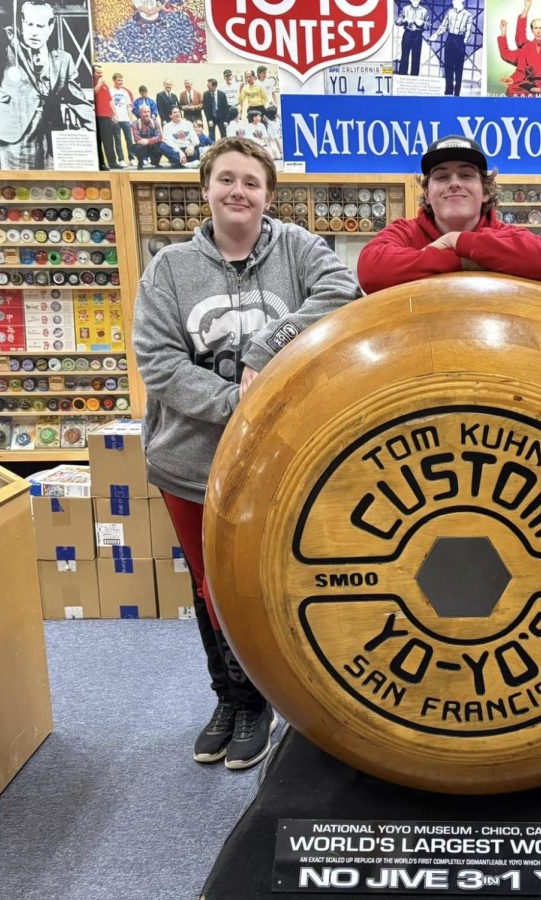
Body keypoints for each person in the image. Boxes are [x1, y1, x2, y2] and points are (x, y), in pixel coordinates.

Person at [132, 137, 361, 770]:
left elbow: (345, 291)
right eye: (226, 179)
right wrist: (240, 402)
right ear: (205, 189)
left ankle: (266, 700)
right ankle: (232, 701)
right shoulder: (170, 267)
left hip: (279, 466)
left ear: (268, 194)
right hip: (191, 462)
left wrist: (267, 346)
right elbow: (157, 359)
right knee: (212, 588)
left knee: (271, 583)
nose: (239, 191)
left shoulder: (299, 248)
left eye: (251, 182)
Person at [357, 135, 541, 292]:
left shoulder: (505, 233)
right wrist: (461, 261)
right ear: (427, 194)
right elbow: (370, 270)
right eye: (442, 177)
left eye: (466, 175)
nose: (454, 183)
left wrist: (454, 240)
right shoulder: (406, 232)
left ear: (485, 192)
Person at [0, 0, 94, 169]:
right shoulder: (9, 45)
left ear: (50, 27)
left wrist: (96, 134)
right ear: (22, 23)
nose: (34, 32)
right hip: (12, 135)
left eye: (40, 26)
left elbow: (78, 101)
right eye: (30, 24)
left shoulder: (63, 59)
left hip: (50, 138)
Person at [95, 0, 207, 63]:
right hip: (143, 21)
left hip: (158, 19)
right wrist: (162, 7)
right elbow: (148, 12)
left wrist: (165, 7)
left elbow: (160, 5)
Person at [430, 0, 474, 96]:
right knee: (448, 66)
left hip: (460, 40)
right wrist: (436, 35)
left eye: (454, 1)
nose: (452, 2)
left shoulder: (468, 15)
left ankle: (457, 92)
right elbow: (443, 26)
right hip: (450, 39)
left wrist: (466, 40)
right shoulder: (450, 12)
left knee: (458, 68)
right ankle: (448, 90)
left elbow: (469, 30)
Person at [93, 66, 122, 169]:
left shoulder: (104, 85)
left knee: (109, 141)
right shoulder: (93, 82)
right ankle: (101, 164)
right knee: (98, 142)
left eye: (101, 73)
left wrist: (114, 113)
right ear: (93, 73)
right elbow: (93, 93)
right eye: (98, 73)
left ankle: (113, 163)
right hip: (97, 116)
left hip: (107, 116)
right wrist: (99, 84)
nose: (100, 75)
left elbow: (110, 100)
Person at [396, 0, 430, 76]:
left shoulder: (424, 11)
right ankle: (402, 76)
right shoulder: (405, 9)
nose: (415, 1)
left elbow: (428, 26)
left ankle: (414, 77)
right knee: (404, 56)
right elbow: (397, 22)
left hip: (417, 36)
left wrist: (422, 23)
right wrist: (404, 20)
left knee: (416, 57)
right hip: (407, 34)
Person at [109, 72, 135, 161]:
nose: (121, 82)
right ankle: (121, 160)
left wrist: (131, 119)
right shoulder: (110, 91)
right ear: (114, 80)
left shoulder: (124, 92)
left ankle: (132, 158)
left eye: (122, 80)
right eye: (119, 80)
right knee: (118, 140)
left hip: (125, 119)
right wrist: (113, 116)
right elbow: (108, 105)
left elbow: (128, 107)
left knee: (129, 139)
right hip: (116, 119)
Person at [130, 103, 164, 168]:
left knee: (162, 145)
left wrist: (148, 141)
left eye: (148, 112)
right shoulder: (135, 123)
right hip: (142, 145)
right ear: (140, 113)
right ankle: (140, 162)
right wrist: (144, 141)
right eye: (144, 112)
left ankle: (155, 162)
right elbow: (136, 138)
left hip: (152, 144)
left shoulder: (155, 123)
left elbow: (159, 136)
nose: (147, 114)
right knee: (137, 147)